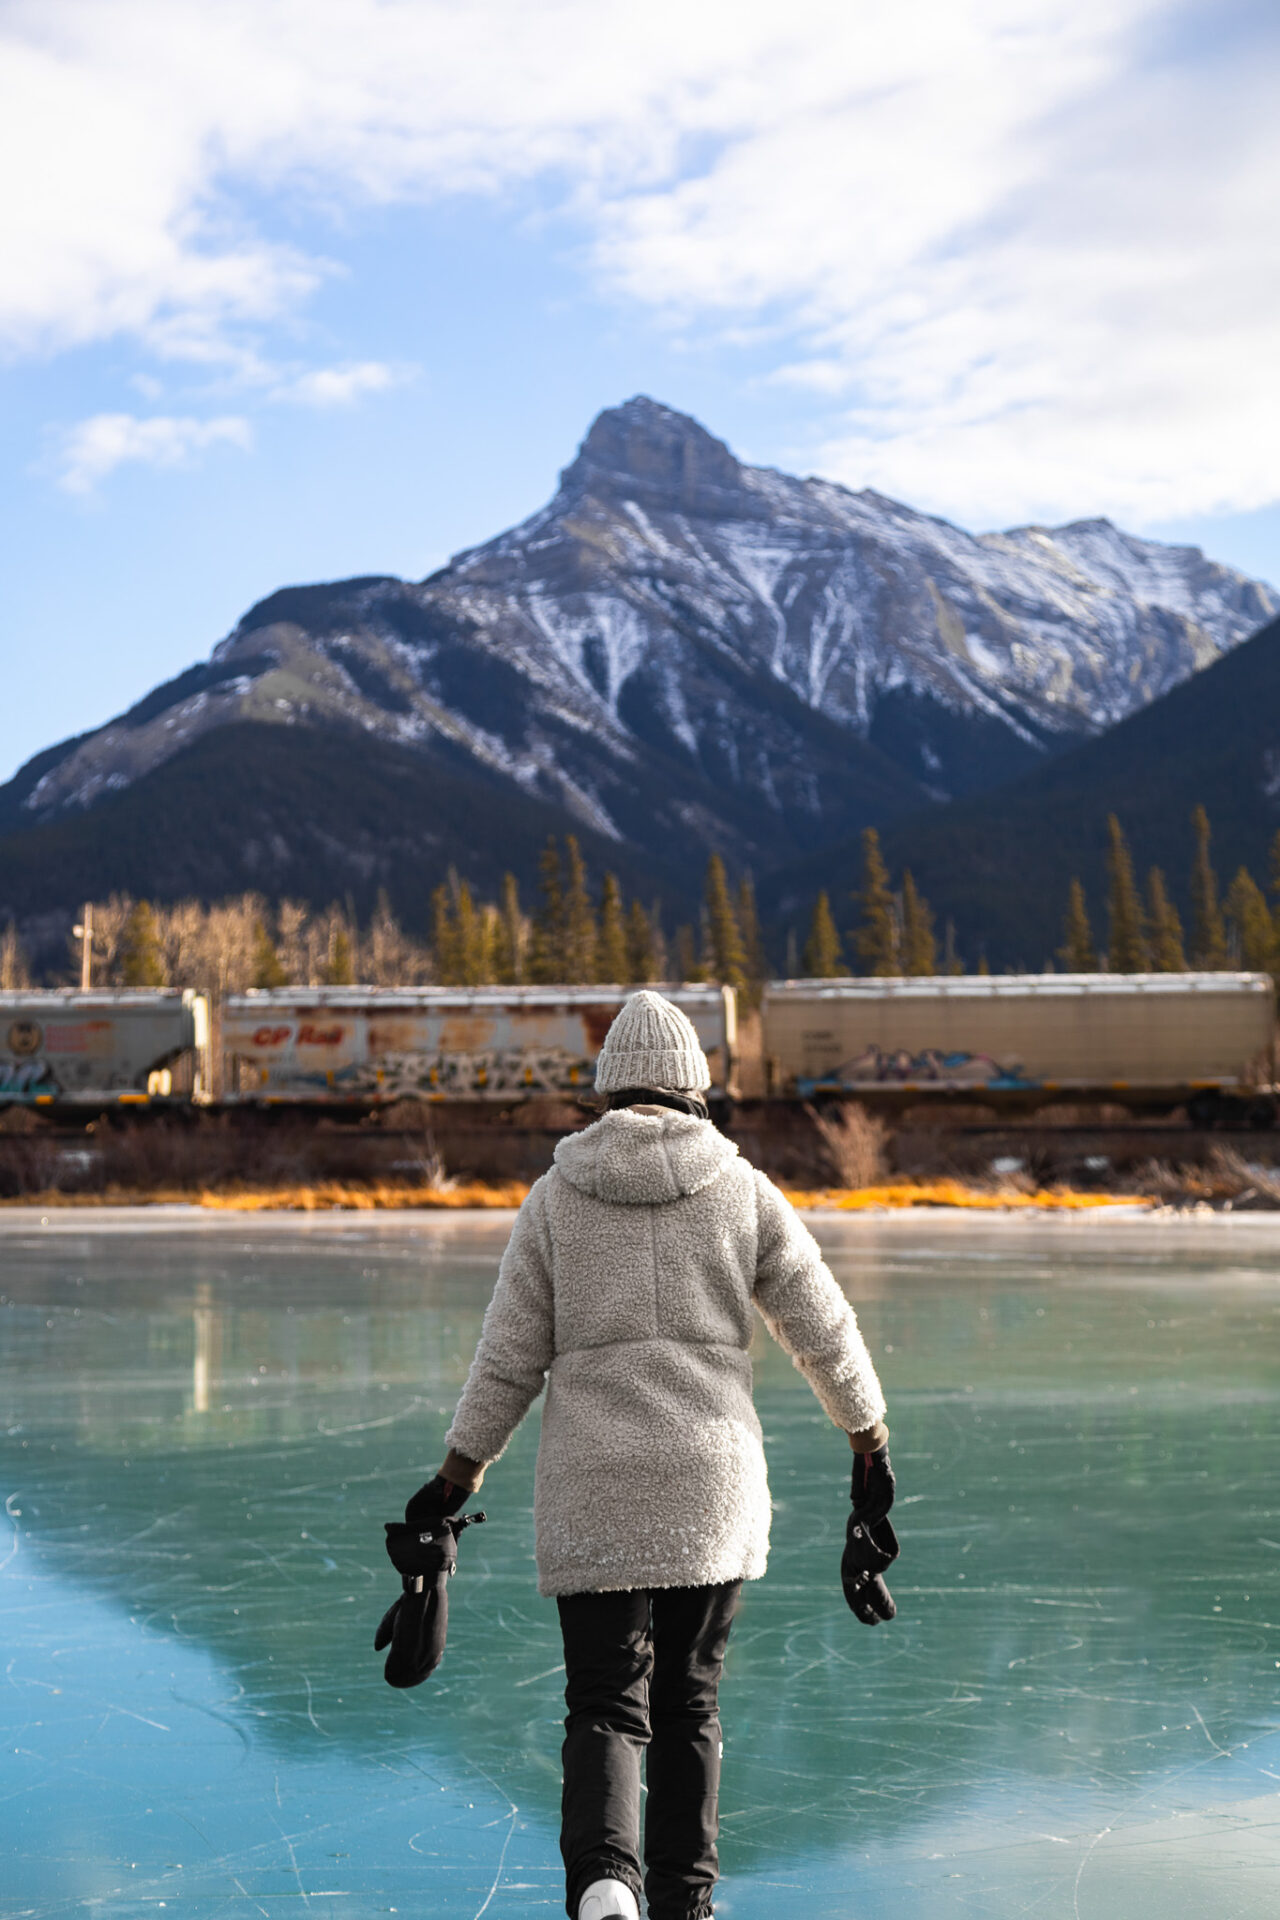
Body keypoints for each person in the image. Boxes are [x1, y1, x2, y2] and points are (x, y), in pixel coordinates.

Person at [399, 990, 894, 1920]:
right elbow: (822, 1325)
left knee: (603, 1705)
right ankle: (685, 1903)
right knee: (690, 1705)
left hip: (593, 1489)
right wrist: (868, 1442)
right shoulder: (743, 1189)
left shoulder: (554, 1200)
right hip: (713, 1485)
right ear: (695, 1087)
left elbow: (507, 1360)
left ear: (606, 1090)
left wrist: (453, 1477)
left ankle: (602, 1889)